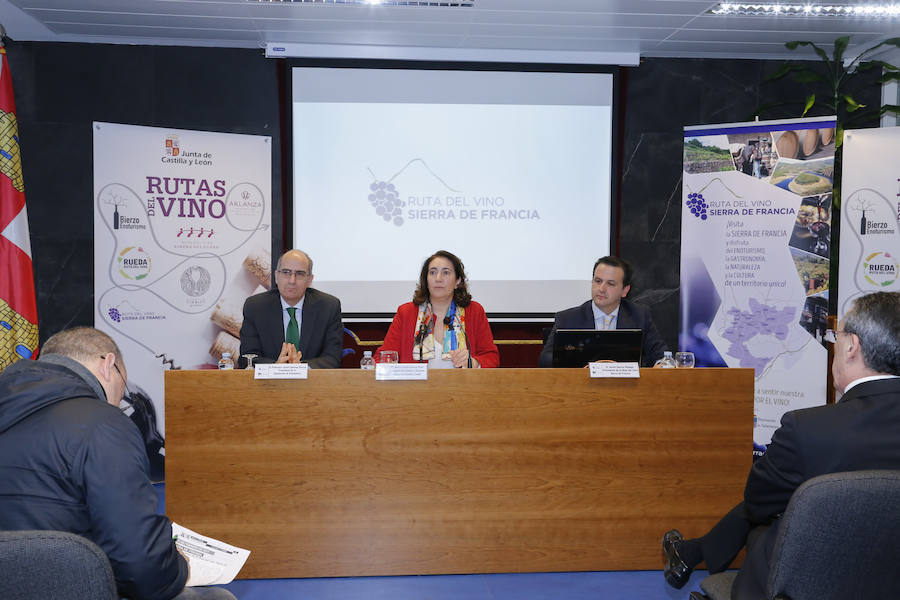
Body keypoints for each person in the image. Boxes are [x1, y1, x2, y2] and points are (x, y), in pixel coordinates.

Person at [662, 291, 900, 599]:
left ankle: (693, 553)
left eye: (835, 336)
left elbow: (758, 505)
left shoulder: (807, 429)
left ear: (851, 346)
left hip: (807, 583)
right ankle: (693, 552)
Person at [0, 327, 236, 600]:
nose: (118, 398)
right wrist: (178, 567)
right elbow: (141, 567)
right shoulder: (103, 424)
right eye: (122, 383)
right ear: (108, 365)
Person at [377, 250, 499, 368]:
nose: (438, 278)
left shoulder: (474, 311)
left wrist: (474, 362)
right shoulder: (406, 313)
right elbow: (383, 357)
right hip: (417, 388)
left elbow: (491, 357)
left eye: (446, 272)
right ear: (426, 279)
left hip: (462, 388)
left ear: (458, 281)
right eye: (433, 272)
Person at [538, 256, 667, 368]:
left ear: (625, 290)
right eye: (598, 281)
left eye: (610, 284)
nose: (601, 289)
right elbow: (545, 359)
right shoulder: (568, 318)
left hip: (626, 390)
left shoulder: (639, 315)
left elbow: (661, 356)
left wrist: (661, 365)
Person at [239, 249, 342, 367]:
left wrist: (301, 367)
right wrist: (276, 366)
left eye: (299, 274)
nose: (292, 281)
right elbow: (247, 358)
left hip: (312, 383)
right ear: (276, 276)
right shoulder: (255, 307)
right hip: (269, 384)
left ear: (309, 280)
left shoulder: (328, 307)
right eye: (286, 272)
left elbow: (333, 358)